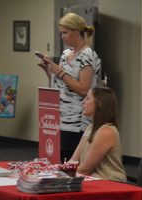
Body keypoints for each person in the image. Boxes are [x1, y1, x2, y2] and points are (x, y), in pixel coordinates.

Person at [38, 12, 102, 162]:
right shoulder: (66, 54)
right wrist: (49, 70)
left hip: (77, 119)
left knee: (71, 162)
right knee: (59, 159)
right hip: (61, 115)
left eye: (65, 33)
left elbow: (83, 89)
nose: (62, 37)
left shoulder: (87, 55)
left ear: (76, 32)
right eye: (61, 33)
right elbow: (60, 84)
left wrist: (59, 72)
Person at [69, 87, 127, 182]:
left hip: (110, 183)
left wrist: (61, 174)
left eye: (87, 99)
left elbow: (85, 170)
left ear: (99, 103)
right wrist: (61, 170)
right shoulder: (90, 127)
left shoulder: (106, 131)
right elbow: (73, 161)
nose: (83, 102)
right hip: (94, 180)